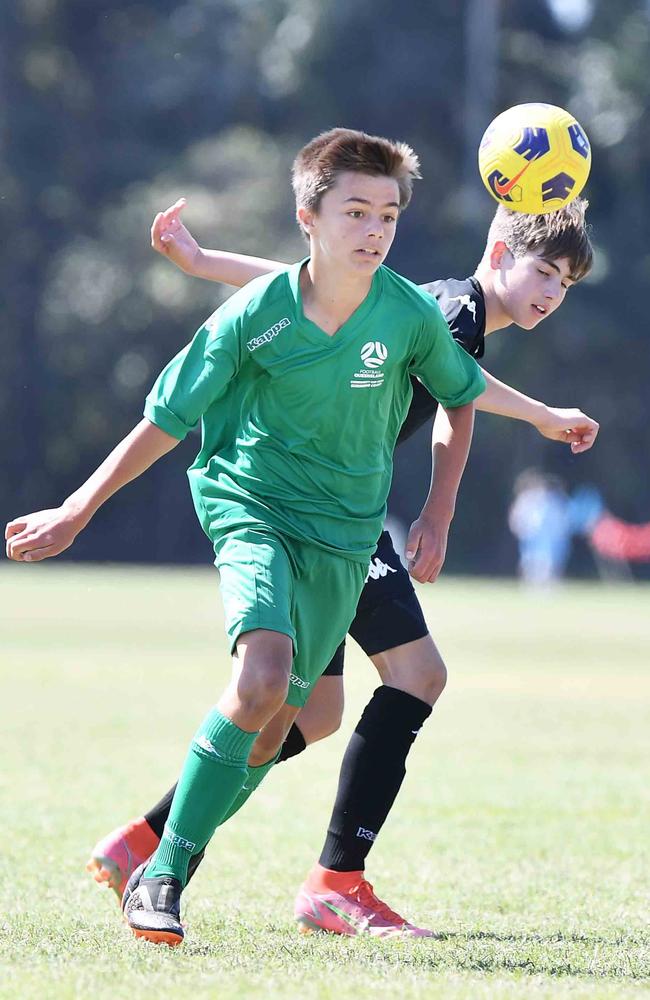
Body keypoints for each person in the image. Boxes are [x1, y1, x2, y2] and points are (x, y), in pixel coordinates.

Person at [5, 128, 486, 946]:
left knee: (279, 725)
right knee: (261, 676)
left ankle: (147, 850)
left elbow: (462, 395)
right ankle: (164, 878)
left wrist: (438, 512)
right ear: (308, 215)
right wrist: (78, 509)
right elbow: (164, 422)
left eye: (389, 216)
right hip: (253, 510)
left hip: (345, 540)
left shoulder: (407, 315)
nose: (374, 231)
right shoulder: (254, 316)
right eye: (356, 212)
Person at [85, 196, 598, 936]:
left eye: (566, 284)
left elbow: (315, 291)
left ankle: (144, 842)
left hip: (340, 512)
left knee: (315, 716)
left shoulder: (445, 313)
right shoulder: (455, 312)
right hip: (323, 516)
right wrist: (544, 415)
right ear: (497, 251)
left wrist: (205, 264)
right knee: (417, 675)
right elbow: (463, 388)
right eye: (543, 272)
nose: (550, 292)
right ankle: (334, 881)